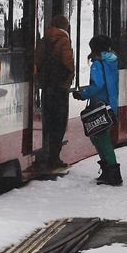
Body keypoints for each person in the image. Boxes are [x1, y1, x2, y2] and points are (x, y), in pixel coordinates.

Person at [73, 34, 121, 186]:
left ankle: (112, 173)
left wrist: (83, 94)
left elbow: (97, 84)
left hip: (99, 104)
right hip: (110, 104)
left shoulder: (97, 63)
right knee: (102, 137)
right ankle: (110, 171)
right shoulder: (111, 61)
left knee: (100, 138)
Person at [34, 15, 75, 171]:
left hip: (47, 86)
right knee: (59, 122)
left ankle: (45, 151)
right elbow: (68, 62)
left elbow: (37, 60)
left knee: (48, 120)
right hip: (59, 87)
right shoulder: (63, 40)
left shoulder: (44, 39)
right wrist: (69, 77)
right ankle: (54, 158)